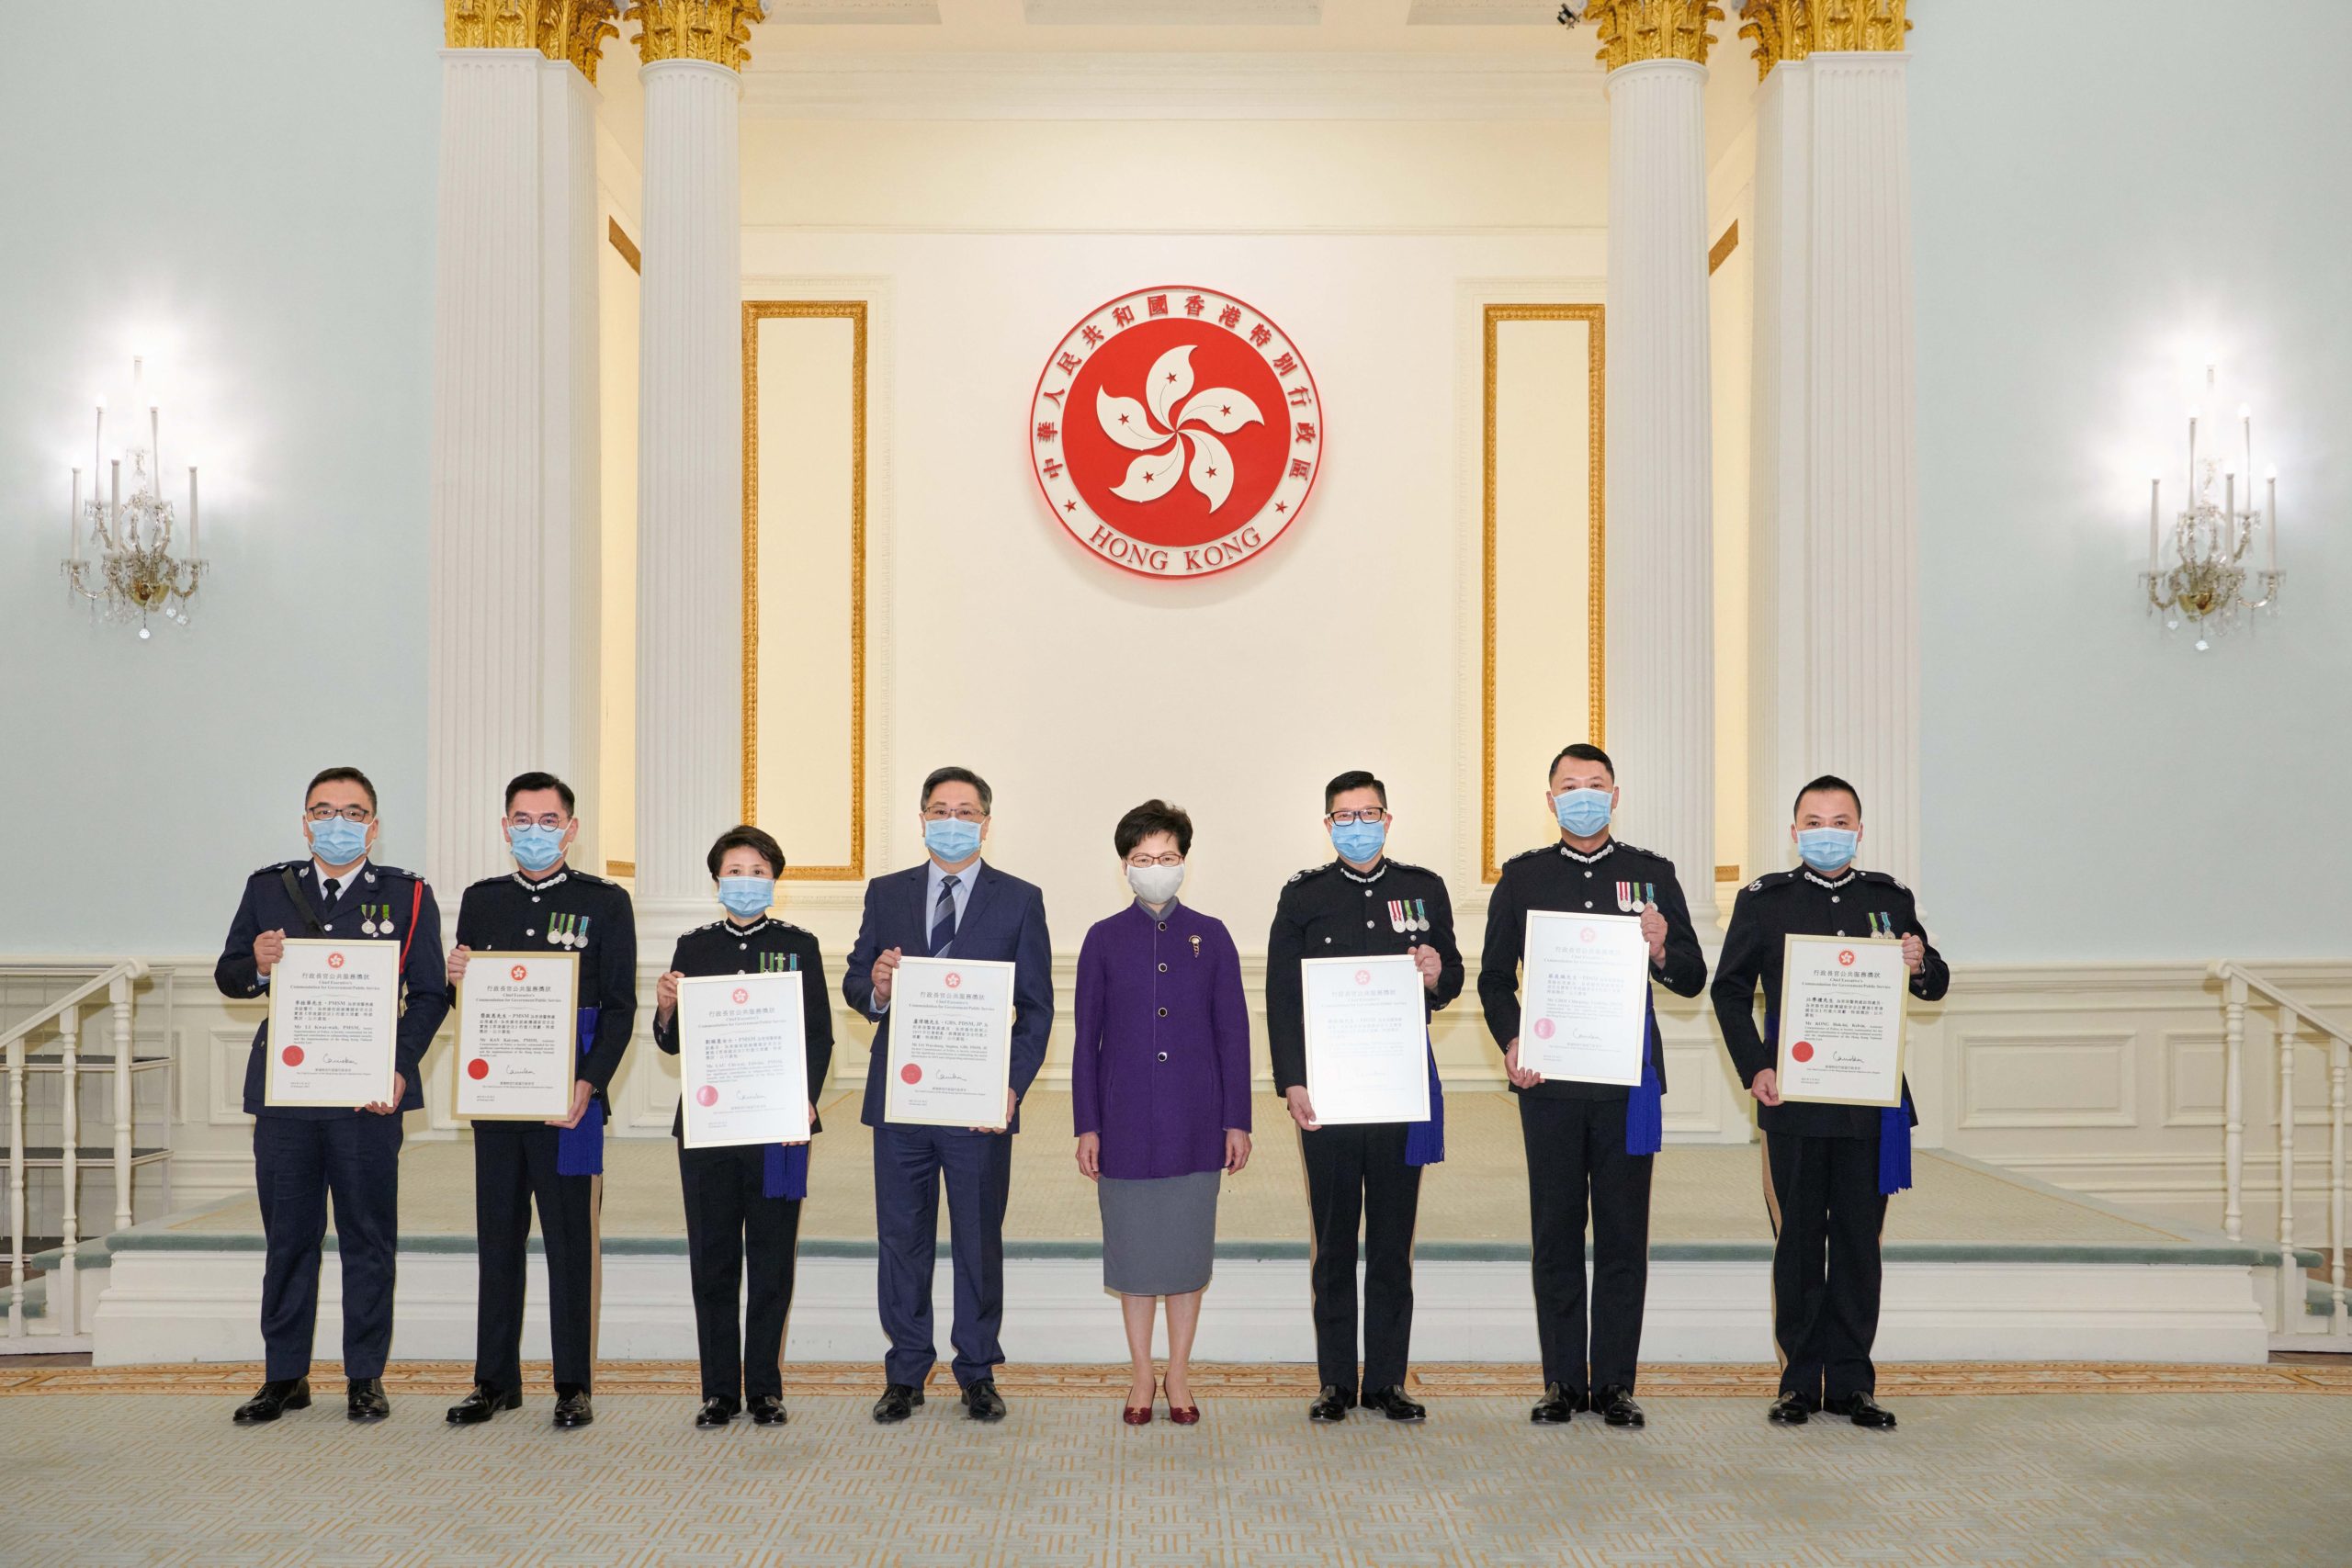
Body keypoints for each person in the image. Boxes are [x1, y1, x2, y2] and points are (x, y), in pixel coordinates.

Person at [1477, 743, 1706, 1428]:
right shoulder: (1523, 877)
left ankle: (1613, 1383)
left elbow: (1692, 976)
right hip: (1548, 1083)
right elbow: (1493, 978)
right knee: (1554, 1233)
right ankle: (1560, 1381)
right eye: (1570, 785)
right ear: (1550, 800)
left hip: (1626, 1088)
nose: (1584, 794)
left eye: (1596, 783)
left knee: (1622, 1236)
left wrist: (1661, 947)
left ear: (1615, 794)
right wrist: (1512, 1039)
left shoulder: (1651, 874)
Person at [1711, 774, 1949, 1430]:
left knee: (1857, 1245)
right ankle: (1797, 1381)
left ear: (1859, 830)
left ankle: (1851, 1383)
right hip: (1793, 1101)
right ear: (1794, 832)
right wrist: (1756, 1065)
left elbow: (1933, 983)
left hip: (1870, 1106)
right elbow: (1729, 991)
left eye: (1840, 821)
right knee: (1796, 1244)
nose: (1827, 832)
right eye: (1813, 822)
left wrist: (1918, 962)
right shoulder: (1764, 901)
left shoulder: (1889, 900)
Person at [215, 767, 449, 1425]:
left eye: (352, 812)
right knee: (288, 1238)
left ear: (373, 826)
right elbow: (229, 975)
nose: (336, 823)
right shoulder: (268, 888)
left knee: (367, 1237)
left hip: (365, 1098)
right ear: (305, 822)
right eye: (323, 811)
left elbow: (431, 993)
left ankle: (364, 1376)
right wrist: (259, 963)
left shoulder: (407, 895)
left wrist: (397, 1067)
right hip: (287, 1096)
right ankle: (284, 1376)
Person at [843, 766, 1055, 1425]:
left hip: (978, 1107)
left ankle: (977, 1370)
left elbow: (1036, 1008)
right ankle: (906, 1370)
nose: (952, 821)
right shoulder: (887, 892)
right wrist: (878, 988)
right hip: (902, 1103)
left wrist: (1011, 1086)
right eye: (940, 810)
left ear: (986, 823)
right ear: (922, 819)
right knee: (901, 1237)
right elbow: (856, 982)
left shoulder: (1020, 899)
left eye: (966, 811)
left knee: (977, 1239)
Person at [1265, 769, 1463, 1424]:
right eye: (1345, 817)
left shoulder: (1422, 888)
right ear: (1328, 825)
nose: (1358, 826)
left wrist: (1436, 974)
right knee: (1333, 1242)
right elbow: (1281, 997)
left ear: (1387, 818)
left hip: (1398, 1092)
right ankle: (1333, 1381)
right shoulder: (1304, 896)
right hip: (1328, 1098)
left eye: (1369, 813)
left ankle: (1385, 1380)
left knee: (1391, 1242)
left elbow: (1453, 976)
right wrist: (1292, 1079)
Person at [443, 771, 637, 1431]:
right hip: (500, 1103)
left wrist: (589, 1083)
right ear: (505, 827)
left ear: (571, 829)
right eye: (522, 820)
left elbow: (620, 1008)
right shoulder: (481, 901)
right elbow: (474, 1004)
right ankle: (494, 1381)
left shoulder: (604, 902)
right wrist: (456, 978)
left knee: (570, 1245)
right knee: (497, 1241)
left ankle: (573, 1384)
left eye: (548, 821)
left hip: (568, 1106)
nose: (535, 831)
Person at [1070, 801, 1251, 1427]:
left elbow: (1234, 1034)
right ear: (1125, 866)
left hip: (1197, 1120)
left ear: (1184, 862)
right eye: (1143, 858)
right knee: (1135, 1258)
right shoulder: (1102, 938)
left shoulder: (1213, 934)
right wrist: (1087, 1124)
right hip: (1122, 1121)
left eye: (1167, 857)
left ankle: (1178, 1370)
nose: (1156, 868)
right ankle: (1141, 1372)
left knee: (1184, 1255)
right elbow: (1086, 1040)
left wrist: (1237, 1119)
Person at [652, 826, 832, 1429]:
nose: (747, 881)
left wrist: (805, 1100)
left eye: (759, 871)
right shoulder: (694, 946)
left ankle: (765, 1389)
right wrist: (666, 1008)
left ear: (774, 880)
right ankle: (718, 1391)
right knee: (713, 1260)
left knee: (773, 1259)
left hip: (780, 1130)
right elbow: (672, 1043)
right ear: (716, 880)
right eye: (735, 870)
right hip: (709, 1130)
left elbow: (818, 1034)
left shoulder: (798, 945)